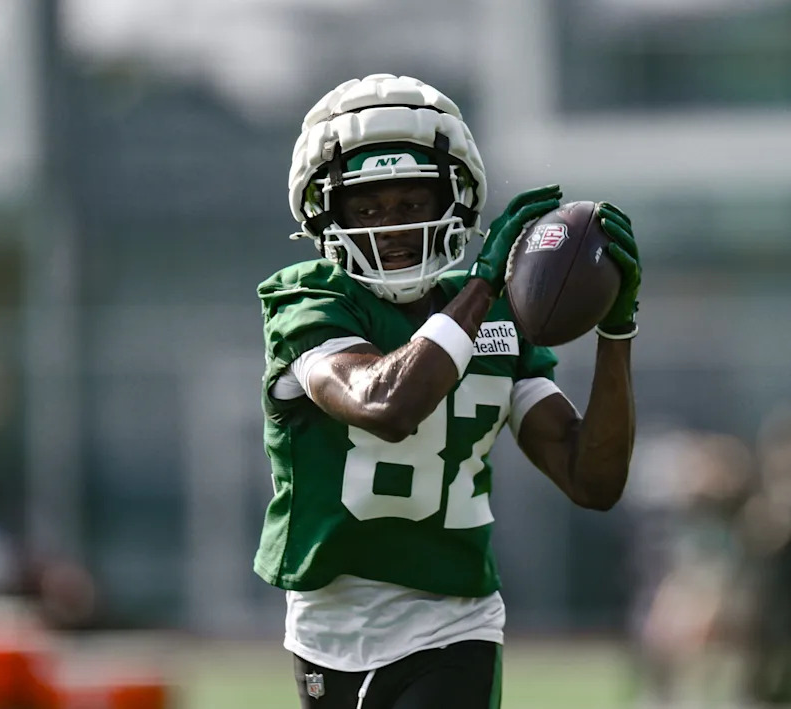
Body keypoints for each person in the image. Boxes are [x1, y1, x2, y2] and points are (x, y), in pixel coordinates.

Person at [254, 73, 641, 709]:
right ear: (327, 214)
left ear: (453, 203)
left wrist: (617, 331)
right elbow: (386, 405)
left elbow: (591, 480)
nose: (391, 228)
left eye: (412, 205)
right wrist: (483, 286)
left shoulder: (496, 319)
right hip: (328, 629)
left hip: (454, 623)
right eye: (368, 208)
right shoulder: (312, 302)